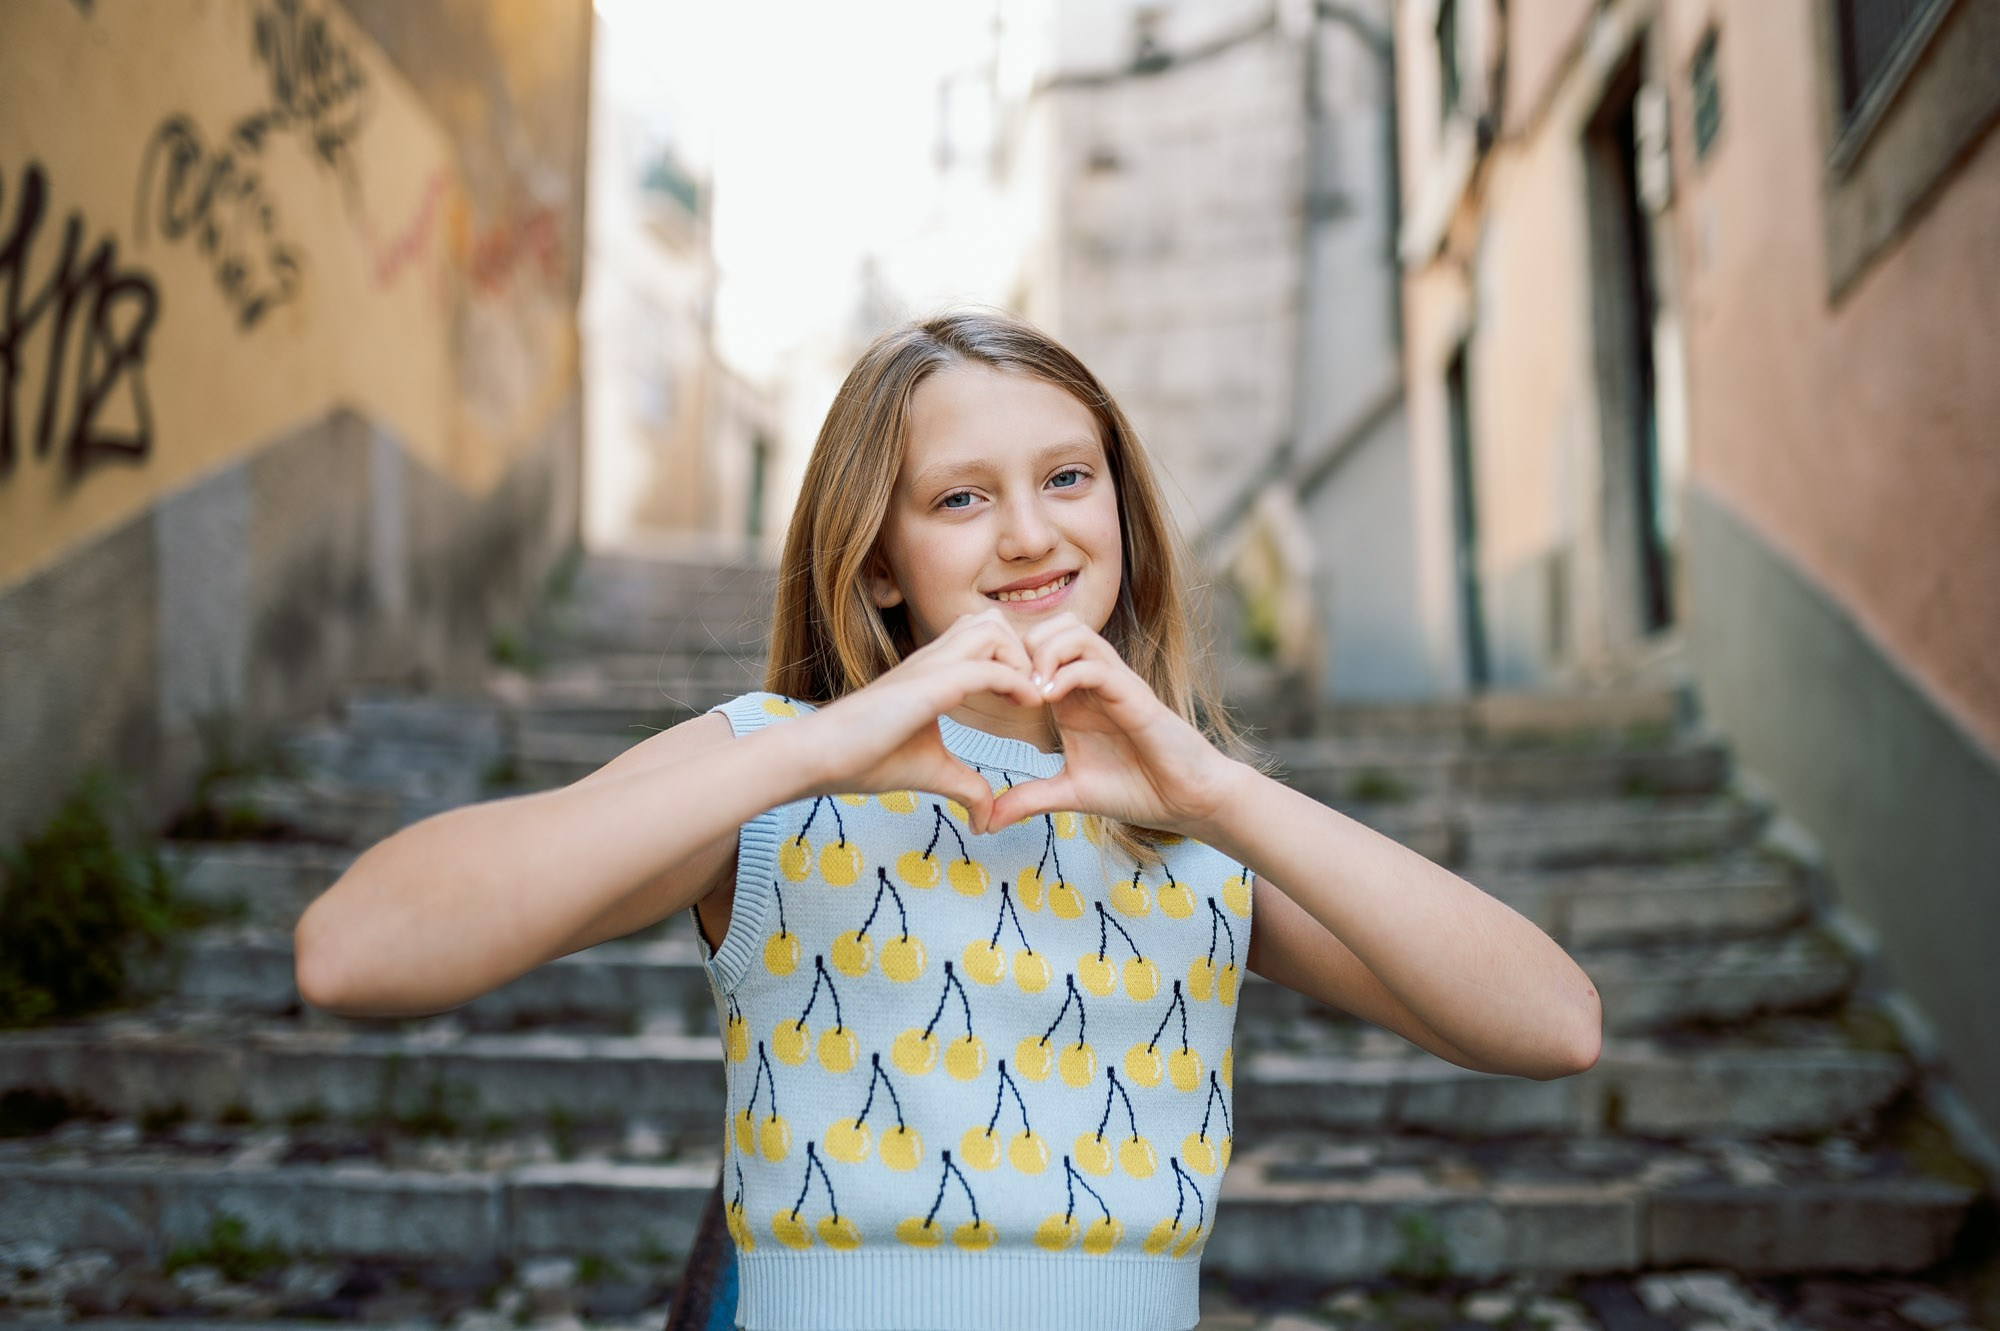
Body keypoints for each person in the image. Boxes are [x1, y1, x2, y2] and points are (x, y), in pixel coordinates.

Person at [294, 310, 1601, 1330]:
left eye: (1069, 479)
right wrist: (812, 748)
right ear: (877, 556)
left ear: (1124, 516)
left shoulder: (1192, 823)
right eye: (962, 498)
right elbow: (355, 953)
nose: (1030, 534)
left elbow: (1553, 1025)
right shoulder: (777, 775)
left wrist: (1215, 792)